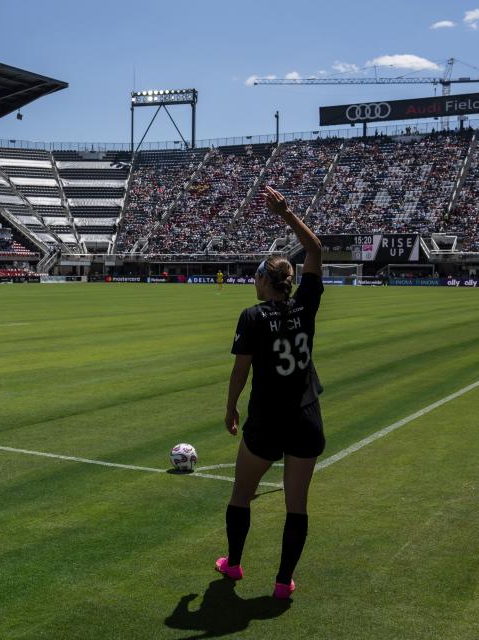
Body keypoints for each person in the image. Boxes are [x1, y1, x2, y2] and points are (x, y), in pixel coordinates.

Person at [215, 186, 325, 601]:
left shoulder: (253, 316)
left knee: (241, 494)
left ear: (265, 280)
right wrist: (287, 213)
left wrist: (230, 409)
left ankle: (235, 563)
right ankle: (282, 582)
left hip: (266, 420)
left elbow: (240, 371)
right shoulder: (306, 304)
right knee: (296, 506)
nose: (253, 281)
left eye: (257, 275)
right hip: (305, 416)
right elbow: (314, 249)